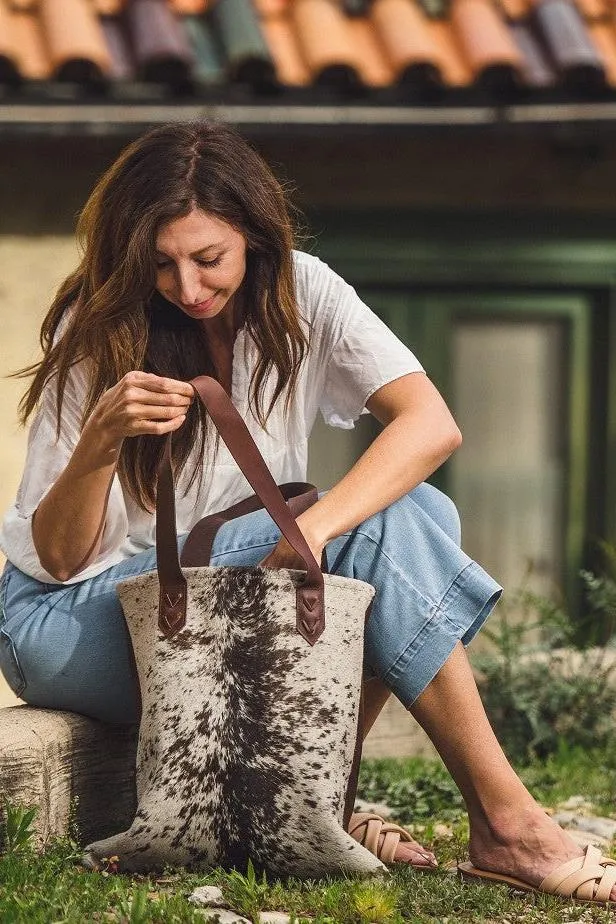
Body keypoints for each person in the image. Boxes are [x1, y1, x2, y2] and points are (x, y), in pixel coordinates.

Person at [0, 121, 613, 903]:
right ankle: (509, 826)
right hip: (68, 624)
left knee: (418, 513)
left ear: (254, 237)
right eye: (161, 264)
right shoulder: (103, 326)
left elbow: (432, 425)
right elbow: (56, 561)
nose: (187, 288)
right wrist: (101, 441)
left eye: (208, 259)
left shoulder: (303, 293)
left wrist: (312, 531)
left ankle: (317, 804)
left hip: (215, 599)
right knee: (389, 528)